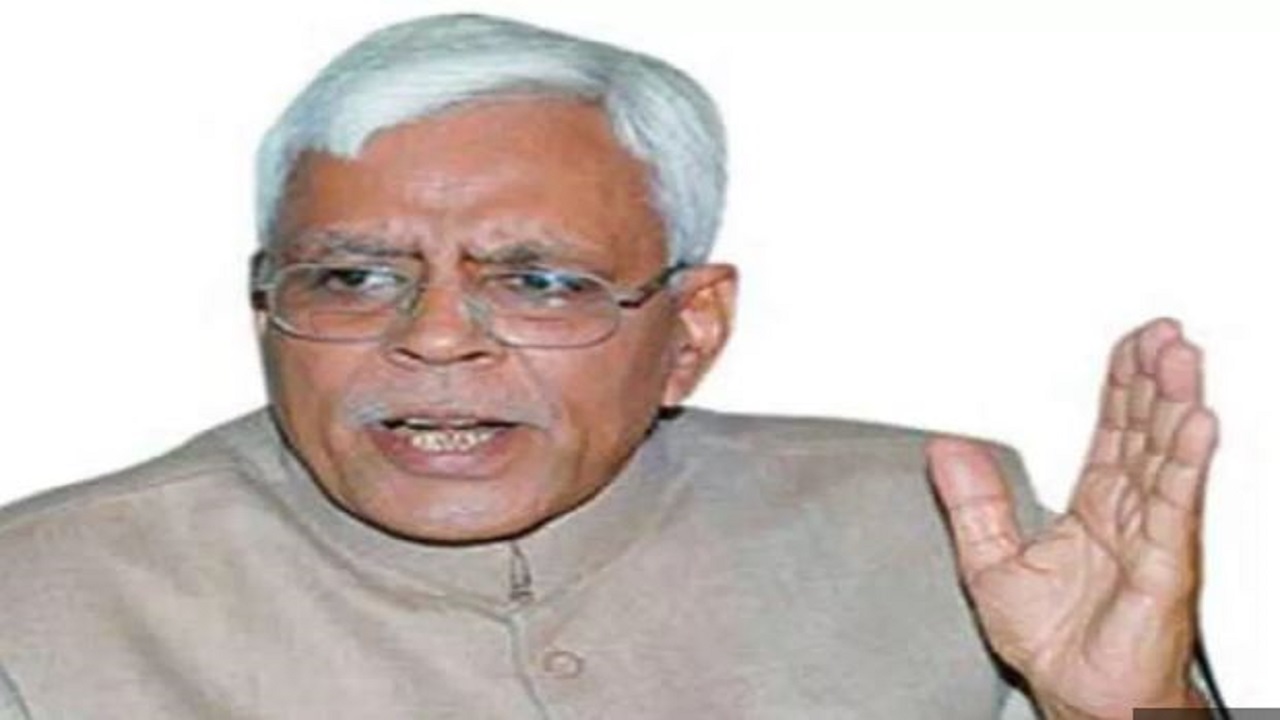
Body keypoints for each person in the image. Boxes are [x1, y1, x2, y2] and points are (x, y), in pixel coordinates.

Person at [0, 13, 1222, 718]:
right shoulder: (40, 601)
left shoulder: (932, 537)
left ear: (689, 331)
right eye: (354, 277)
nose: (435, 338)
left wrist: (1131, 710)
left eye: (538, 282)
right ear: (264, 307)